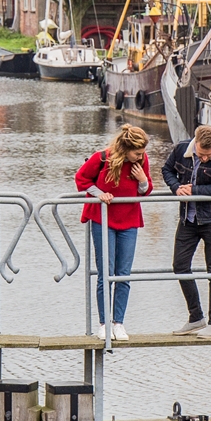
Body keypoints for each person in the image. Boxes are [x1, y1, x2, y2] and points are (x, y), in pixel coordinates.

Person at [74, 125, 153, 336]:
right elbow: (81, 179)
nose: (141, 157)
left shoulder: (141, 162)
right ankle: (104, 324)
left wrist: (143, 180)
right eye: (137, 153)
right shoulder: (101, 158)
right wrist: (100, 194)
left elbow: (145, 192)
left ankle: (119, 322)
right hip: (103, 220)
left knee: (123, 275)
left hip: (130, 221)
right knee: (105, 273)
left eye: (142, 152)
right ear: (126, 148)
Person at [162, 124, 211, 336]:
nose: (204, 158)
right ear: (194, 144)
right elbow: (167, 170)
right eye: (201, 155)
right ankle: (196, 318)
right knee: (179, 265)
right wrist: (176, 187)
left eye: (208, 155)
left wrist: (194, 190)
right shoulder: (181, 149)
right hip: (188, 219)